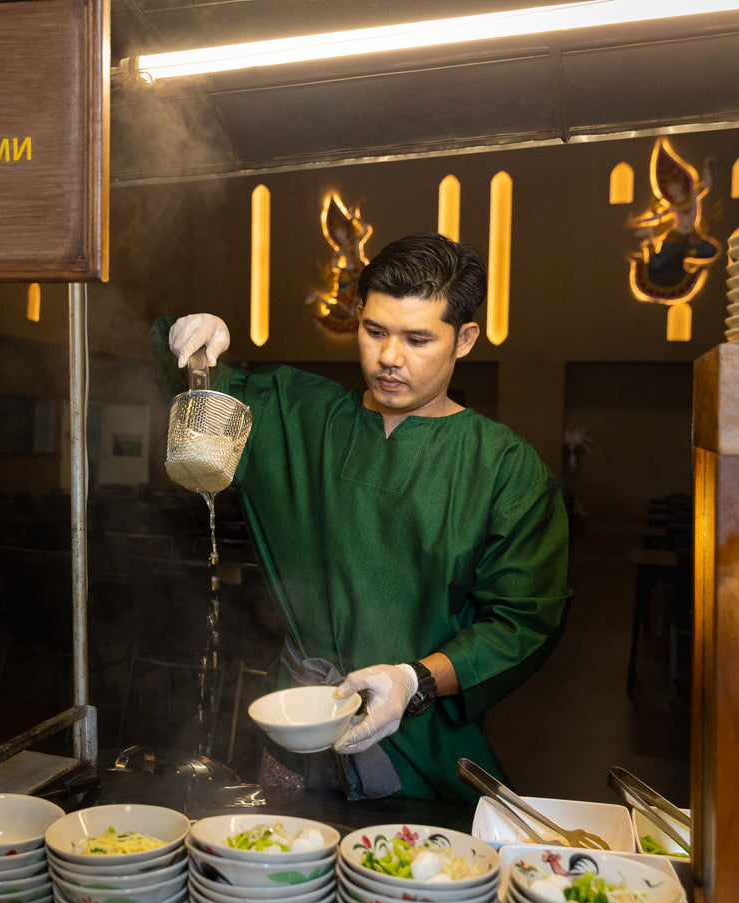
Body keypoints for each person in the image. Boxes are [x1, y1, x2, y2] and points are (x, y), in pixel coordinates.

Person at [153, 232, 572, 802]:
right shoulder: (297, 415)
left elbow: (525, 622)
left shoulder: (503, 468)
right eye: (375, 331)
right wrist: (188, 336)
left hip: (421, 742)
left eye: (418, 338)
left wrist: (413, 680)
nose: (389, 357)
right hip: (296, 728)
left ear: (464, 339)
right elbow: (189, 377)